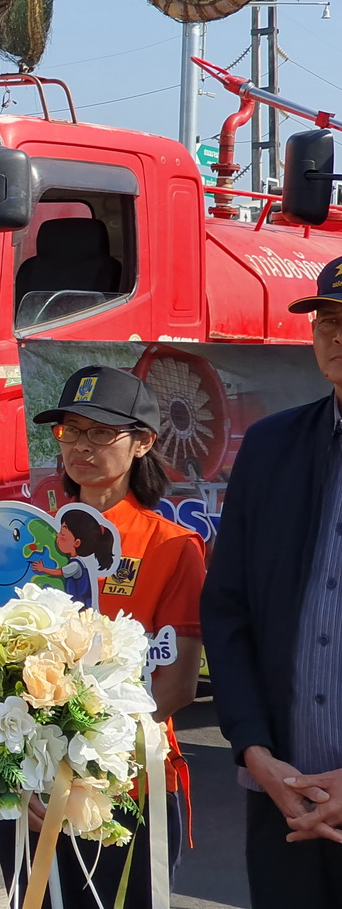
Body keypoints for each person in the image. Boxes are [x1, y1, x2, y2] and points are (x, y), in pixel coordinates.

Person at [0, 364, 205, 908]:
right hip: (28, 787)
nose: (81, 446)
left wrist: (78, 768)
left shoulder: (170, 546)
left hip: (124, 784)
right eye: (70, 431)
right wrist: (26, 769)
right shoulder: (30, 539)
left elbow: (177, 685)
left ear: (143, 443)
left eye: (101, 432)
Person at [204, 259, 342, 907]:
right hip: (283, 800)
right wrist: (253, 748)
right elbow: (228, 610)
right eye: (326, 320)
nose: (336, 335)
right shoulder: (270, 447)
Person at [31, 506, 118, 606]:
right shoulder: (77, 562)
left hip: (80, 604)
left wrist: (43, 569)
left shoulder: (75, 565)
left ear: (76, 543)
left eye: (62, 535)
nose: (57, 535)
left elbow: (59, 572)